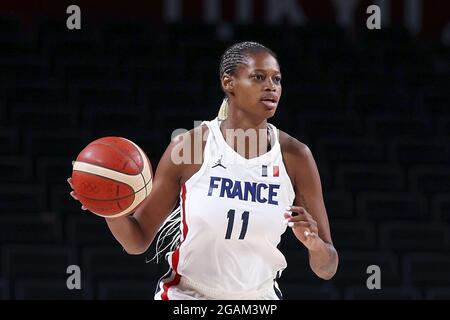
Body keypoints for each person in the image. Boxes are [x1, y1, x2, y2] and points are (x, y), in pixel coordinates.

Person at [68, 41, 338, 300]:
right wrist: (109, 207)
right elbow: (137, 240)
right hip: (188, 295)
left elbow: (328, 267)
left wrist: (315, 245)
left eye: (276, 79)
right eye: (258, 77)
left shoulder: (296, 156)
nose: (271, 87)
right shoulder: (190, 147)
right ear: (228, 82)